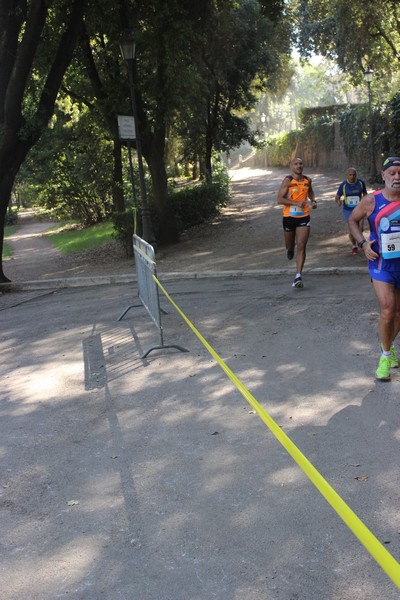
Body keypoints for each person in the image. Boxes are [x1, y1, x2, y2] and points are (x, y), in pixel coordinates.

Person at [348, 156, 400, 381]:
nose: (397, 177)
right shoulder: (372, 201)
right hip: (381, 263)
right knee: (388, 308)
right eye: (393, 173)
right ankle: (384, 356)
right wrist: (362, 243)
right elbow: (352, 220)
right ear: (383, 175)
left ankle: (387, 344)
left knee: (399, 313)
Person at [277, 157, 317, 288]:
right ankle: (289, 250)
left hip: (303, 216)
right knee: (290, 246)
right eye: (296, 164)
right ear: (291, 166)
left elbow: (310, 191)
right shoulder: (288, 180)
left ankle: (298, 275)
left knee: (301, 245)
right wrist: (295, 203)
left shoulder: (307, 180)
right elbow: (279, 199)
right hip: (289, 217)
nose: (299, 166)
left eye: (300, 163)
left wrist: (313, 201)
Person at [335, 167, 367, 254]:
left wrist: (365, 202)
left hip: (359, 208)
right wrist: (338, 202)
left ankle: (360, 242)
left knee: (360, 229)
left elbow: (365, 194)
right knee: (352, 231)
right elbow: (337, 197)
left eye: (354, 175)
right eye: (350, 175)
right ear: (347, 175)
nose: (352, 177)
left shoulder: (361, 183)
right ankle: (354, 245)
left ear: (356, 175)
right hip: (348, 210)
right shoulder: (343, 185)